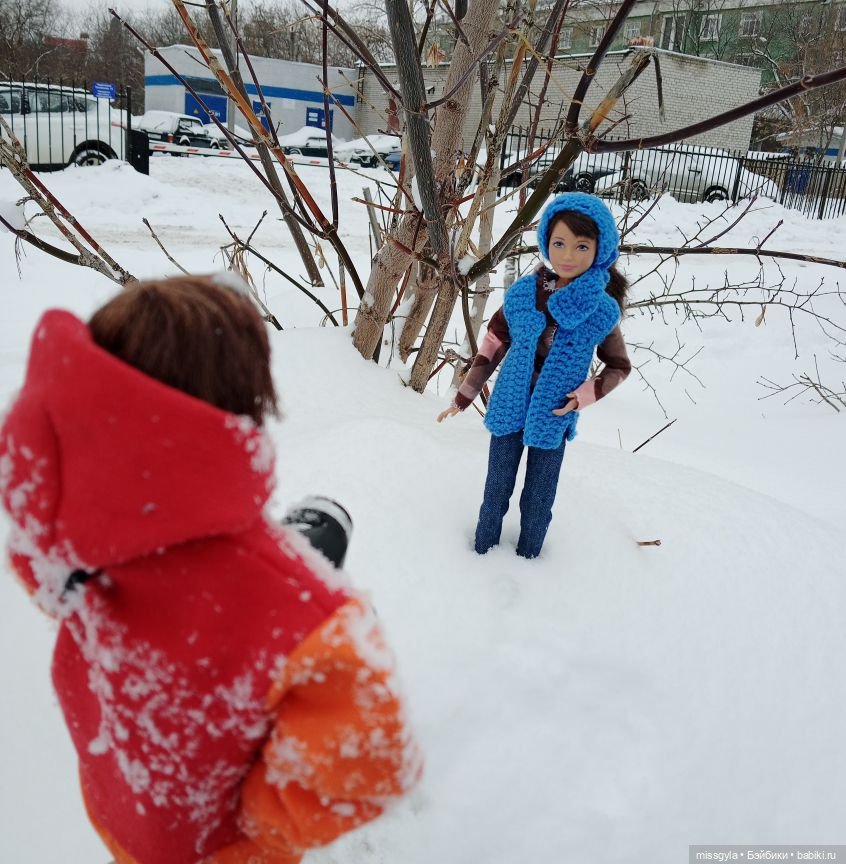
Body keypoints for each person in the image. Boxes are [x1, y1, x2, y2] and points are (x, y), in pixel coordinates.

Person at [0, 275, 421, 864]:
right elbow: (367, 766)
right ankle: (302, 544)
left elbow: (42, 571)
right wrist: (256, 830)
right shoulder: (311, 616)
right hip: (218, 847)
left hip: (122, 811)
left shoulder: (60, 532)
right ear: (239, 411)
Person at [437, 192, 631, 559]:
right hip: (511, 403)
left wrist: (583, 396)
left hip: (553, 414)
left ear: (599, 250)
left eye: (581, 246)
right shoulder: (524, 294)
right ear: (546, 243)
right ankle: (481, 553)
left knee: (539, 498)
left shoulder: (600, 310)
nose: (568, 256)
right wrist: (464, 396)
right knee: (496, 488)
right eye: (559, 243)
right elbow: (492, 344)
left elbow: (619, 366)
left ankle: (530, 561)